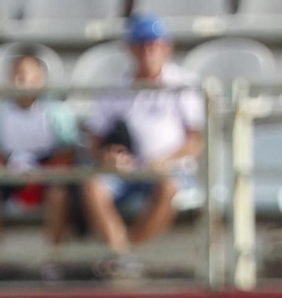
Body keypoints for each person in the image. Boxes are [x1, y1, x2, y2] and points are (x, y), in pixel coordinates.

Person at [81, 14, 206, 276]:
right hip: (128, 170)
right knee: (93, 187)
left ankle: (128, 256)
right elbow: (93, 140)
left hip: (169, 168)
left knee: (167, 187)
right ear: (130, 49)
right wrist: (108, 155)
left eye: (154, 44)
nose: (148, 51)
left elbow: (196, 142)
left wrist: (166, 161)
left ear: (166, 48)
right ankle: (123, 255)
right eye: (141, 45)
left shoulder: (184, 84)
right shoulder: (117, 88)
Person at [0, 50, 81, 282]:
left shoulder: (56, 113)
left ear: (41, 79)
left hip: (47, 171)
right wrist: (13, 166)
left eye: (28, 74)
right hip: (14, 170)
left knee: (59, 194)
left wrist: (41, 171)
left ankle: (54, 260)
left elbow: (69, 151)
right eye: (17, 74)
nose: (22, 80)